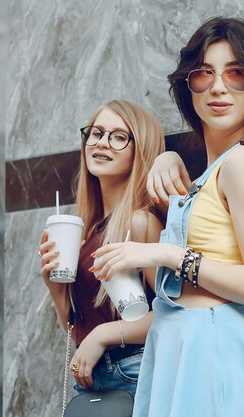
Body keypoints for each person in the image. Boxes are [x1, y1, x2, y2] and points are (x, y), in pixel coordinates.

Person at [93, 17, 244, 416]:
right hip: (191, 345)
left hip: (211, 346)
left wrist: (163, 256)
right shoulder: (225, 166)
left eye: (237, 74)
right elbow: (212, 234)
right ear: (188, 86)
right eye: (204, 74)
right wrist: (169, 158)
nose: (218, 86)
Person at [38, 99, 165, 396]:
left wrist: (105, 335)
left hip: (135, 371)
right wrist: (56, 291)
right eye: (96, 133)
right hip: (92, 379)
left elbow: (173, 312)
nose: (102, 143)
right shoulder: (86, 230)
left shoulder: (141, 223)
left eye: (119, 137)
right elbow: (78, 331)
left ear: (139, 151)